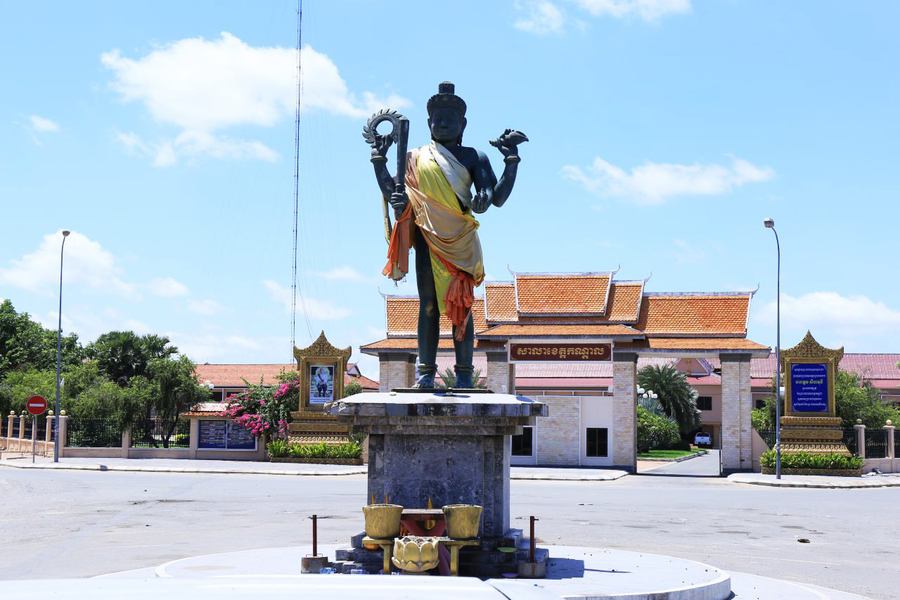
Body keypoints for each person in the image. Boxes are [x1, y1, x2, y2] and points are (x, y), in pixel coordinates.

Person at [370, 82, 525, 388]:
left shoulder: (473, 157)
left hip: (461, 242)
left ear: (462, 124)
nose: (442, 124)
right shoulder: (414, 157)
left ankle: (464, 375)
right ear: (429, 122)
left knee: (462, 306)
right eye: (436, 119)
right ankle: (426, 374)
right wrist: (379, 160)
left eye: (449, 120)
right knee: (428, 304)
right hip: (428, 240)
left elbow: (495, 198)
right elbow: (394, 192)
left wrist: (511, 161)